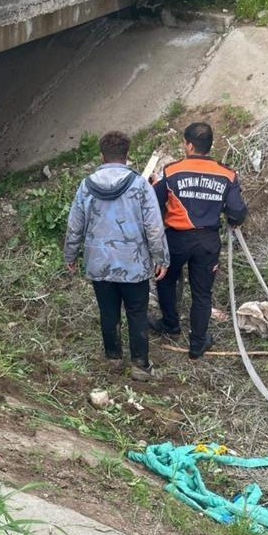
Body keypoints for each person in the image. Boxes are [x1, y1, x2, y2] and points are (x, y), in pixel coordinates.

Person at [64, 131, 169, 381]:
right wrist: (161, 258)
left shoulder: (86, 186)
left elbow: (74, 226)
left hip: (99, 264)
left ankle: (113, 358)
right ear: (127, 156)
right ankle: (140, 366)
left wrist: (70, 255)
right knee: (137, 313)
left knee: (108, 311)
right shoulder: (140, 185)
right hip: (134, 265)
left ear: (102, 156)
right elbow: (154, 227)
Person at [151, 121, 248, 359]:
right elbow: (237, 212)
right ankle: (197, 344)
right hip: (207, 241)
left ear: (189, 145)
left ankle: (171, 326)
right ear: (209, 146)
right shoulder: (227, 174)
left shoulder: (172, 171)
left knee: (165, 281)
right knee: (202, 293)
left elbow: (153, 202)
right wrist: (230, 217)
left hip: (175, 238)